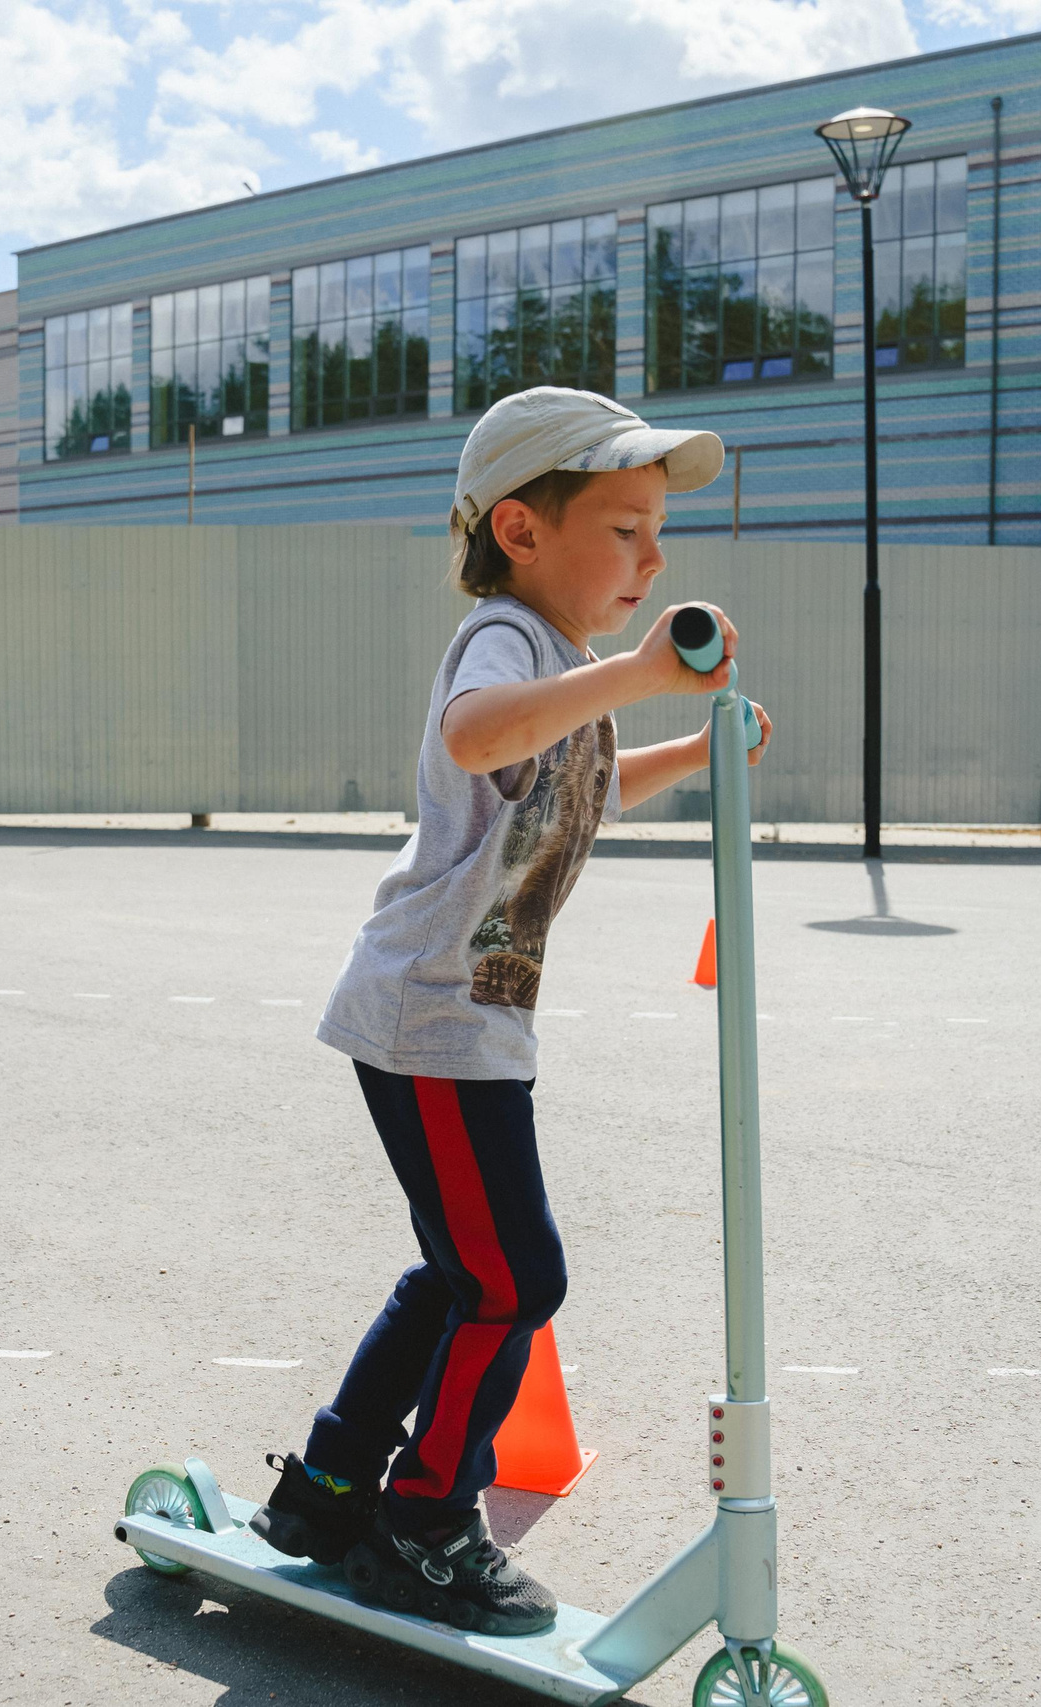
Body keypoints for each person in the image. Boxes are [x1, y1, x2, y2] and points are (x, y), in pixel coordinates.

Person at [249, 387, 772, 1634]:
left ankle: (327, 1486)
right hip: (431, 1015)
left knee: (462, 1271)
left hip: (466, 1020)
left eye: (658, 534)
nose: (652, 559)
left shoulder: (566, 669)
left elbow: (577, 779)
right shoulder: (503, 641)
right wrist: (644, 676)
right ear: (523, 533)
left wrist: (687, 754)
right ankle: (426, 1523)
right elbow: (482, 739)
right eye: (625, 529)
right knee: (515, 1278)